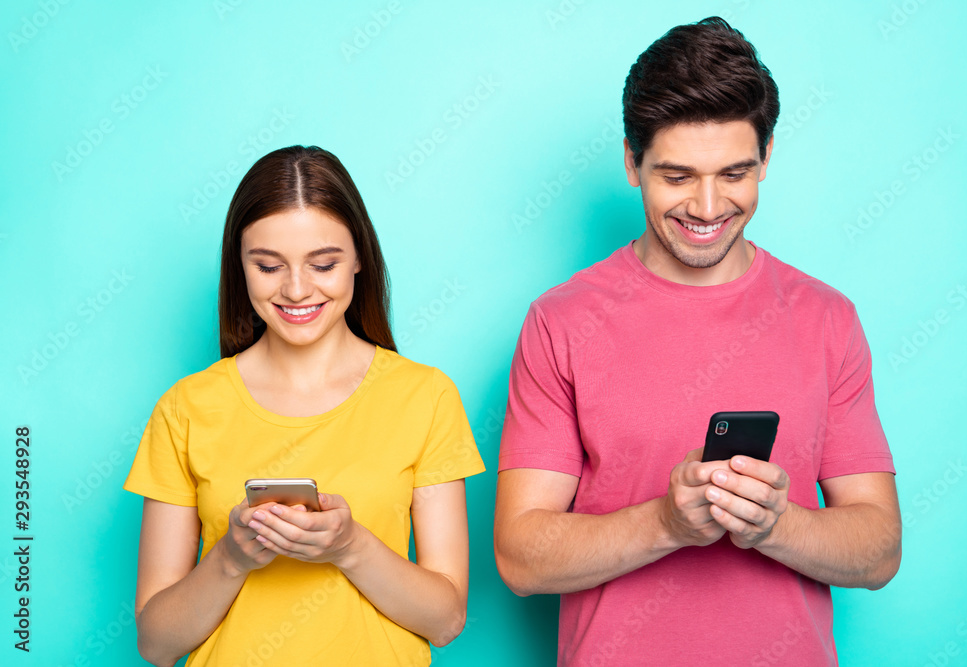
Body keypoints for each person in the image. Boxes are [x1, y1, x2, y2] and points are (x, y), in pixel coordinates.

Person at [494, 17, 901, 667]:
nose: (708, 206)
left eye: (734, 173)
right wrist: (667, 523)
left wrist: (776, 523)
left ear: (766, 159)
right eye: (677, 176)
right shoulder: (560, 321)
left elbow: (879, 549)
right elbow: (520, 557)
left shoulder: (828, 319)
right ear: (632, 161)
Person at [125, 145, 484, 666]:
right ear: (239, 266)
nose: (296, 290)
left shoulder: (425, 397)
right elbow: (156, 644)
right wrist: (231, 556)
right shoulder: (186, 408)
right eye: (269, 266)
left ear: (359, 257)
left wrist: (349, 547)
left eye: (323, 264)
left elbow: (446, 620)